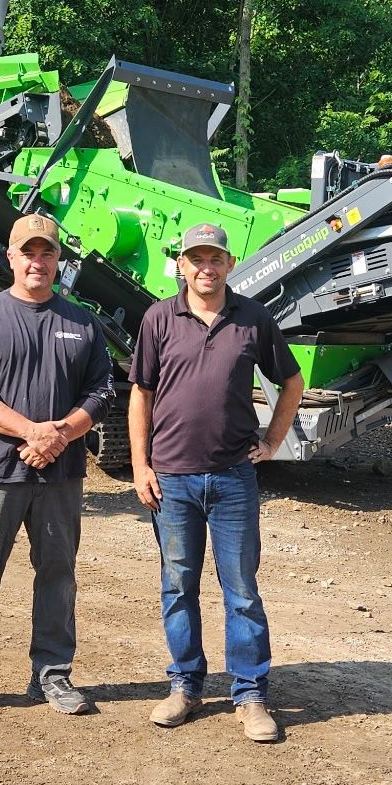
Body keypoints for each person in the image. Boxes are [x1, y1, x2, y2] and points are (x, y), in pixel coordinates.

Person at [128, 221, 305, 743]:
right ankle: (185, 685)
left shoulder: (253, 318)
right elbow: (141, 394)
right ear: (181, 265)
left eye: (215, 259)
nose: (206, 268)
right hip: (173, 479)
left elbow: (291, 382)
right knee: (178, 586)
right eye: (196, 259)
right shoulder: (159, 318)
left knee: (242, 590)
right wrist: (140, 466)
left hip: (233, 479)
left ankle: (249, 695)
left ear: (229, 264)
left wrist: (272, 443)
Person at [0, 212, 114, 722]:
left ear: (59, 260)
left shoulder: (82, 323)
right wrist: (33, 431)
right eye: (28, 252)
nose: (38, 261)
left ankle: (52, 675)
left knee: (57, 574)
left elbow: (102, 392)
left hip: (59, 475)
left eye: (48, 252)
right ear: (11, 257)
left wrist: (59, 434)